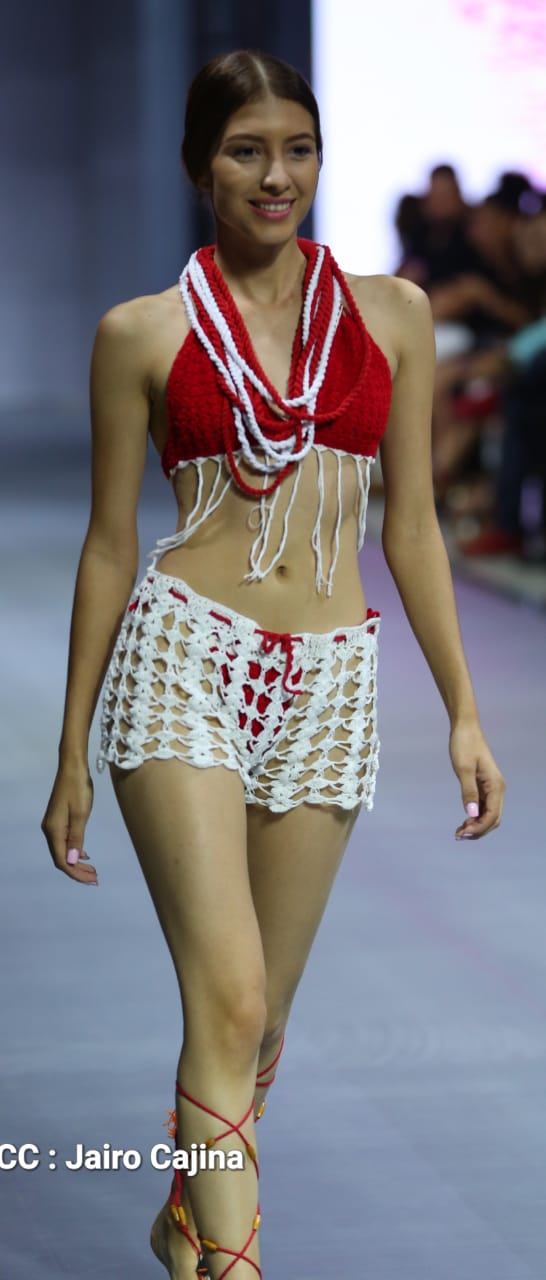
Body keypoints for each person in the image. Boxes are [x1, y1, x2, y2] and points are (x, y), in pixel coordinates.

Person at [40, 50, 505, 1280]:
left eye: (297, 148)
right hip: (184, 659)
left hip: (332, 679)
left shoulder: (391, 315)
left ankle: (185, 1218)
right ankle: (237, 1261)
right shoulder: (140, 333)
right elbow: (108, 543)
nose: (275, 174)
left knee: (263, 1017)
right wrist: (71, 748)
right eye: (246, 150)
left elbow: (414, 527)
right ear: (201, 167)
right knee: (231, 996)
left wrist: (463, 711)